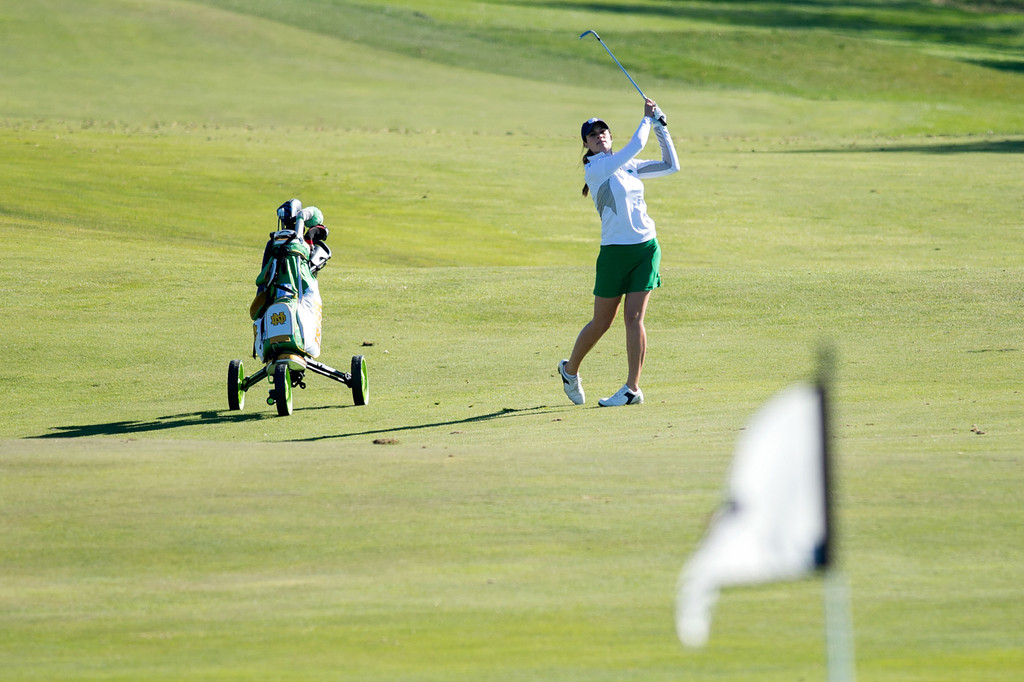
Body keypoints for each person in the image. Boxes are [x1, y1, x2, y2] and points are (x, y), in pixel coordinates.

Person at [559, 98, 679, 406]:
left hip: (646, 248)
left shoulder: (628, 166)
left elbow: (670, 165)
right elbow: (636, 146)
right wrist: (647, 120)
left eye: (604, 131)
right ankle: (570, 370)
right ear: (586, 143)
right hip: (614, 253)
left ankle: (631, 389)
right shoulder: (596, 168)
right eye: (593, 134)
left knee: (634, 318)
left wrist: (662, 127)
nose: (600, 136)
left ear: (610, 136)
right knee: (602, 321)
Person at [250, 199, 331, 360]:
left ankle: (277, 341)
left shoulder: (274, 243)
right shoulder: (299, 240)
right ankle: (297, 341)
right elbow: (318, 219)